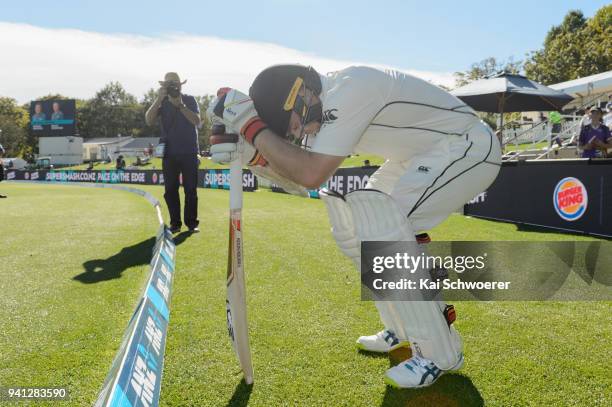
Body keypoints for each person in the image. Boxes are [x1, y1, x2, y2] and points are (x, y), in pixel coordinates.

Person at [208, 64, 501, 388]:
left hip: (467, 145)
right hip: (419, 155)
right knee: (357, 227)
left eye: (295, 125)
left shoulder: (350, 89)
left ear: (301, 95)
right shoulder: (323, 102)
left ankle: (440, 354)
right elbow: (298, 181)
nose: (302, 134)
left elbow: (310, 174)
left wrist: (251, 127)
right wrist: (251, 154)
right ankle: (401, 329)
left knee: (385, 227)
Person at [145, 72, 201, 233]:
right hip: (169, 152)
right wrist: (158, 99)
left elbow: (197, 121)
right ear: (163, 86)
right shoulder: (161, 102)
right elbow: (148, 120)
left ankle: (192, 223)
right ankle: (175, 223)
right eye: (168, 84)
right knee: (170, 190)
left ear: (181, 85)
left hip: (189, 151)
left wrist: (180, 105)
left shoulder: (189, 99)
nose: (172, 87)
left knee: (191, 189)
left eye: (174, 84)